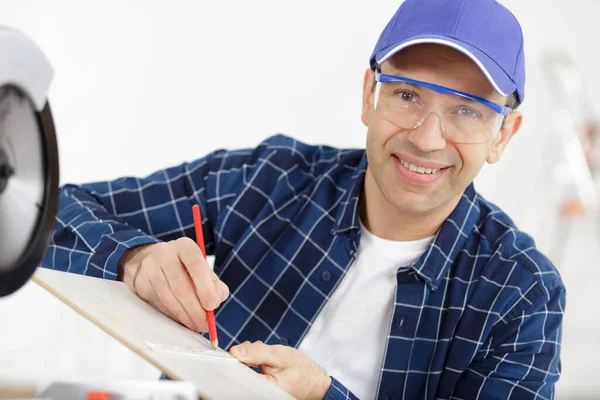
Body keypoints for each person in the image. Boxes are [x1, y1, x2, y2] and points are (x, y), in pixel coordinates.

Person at [42, 0, 566, 398]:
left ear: (504, 135)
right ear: (370, 95)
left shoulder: (522, 293)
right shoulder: (269, 179)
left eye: (468, 111)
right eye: (408, 95)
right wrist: (132, 258)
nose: (428, 138)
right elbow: (38, 216)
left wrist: (322, 394)